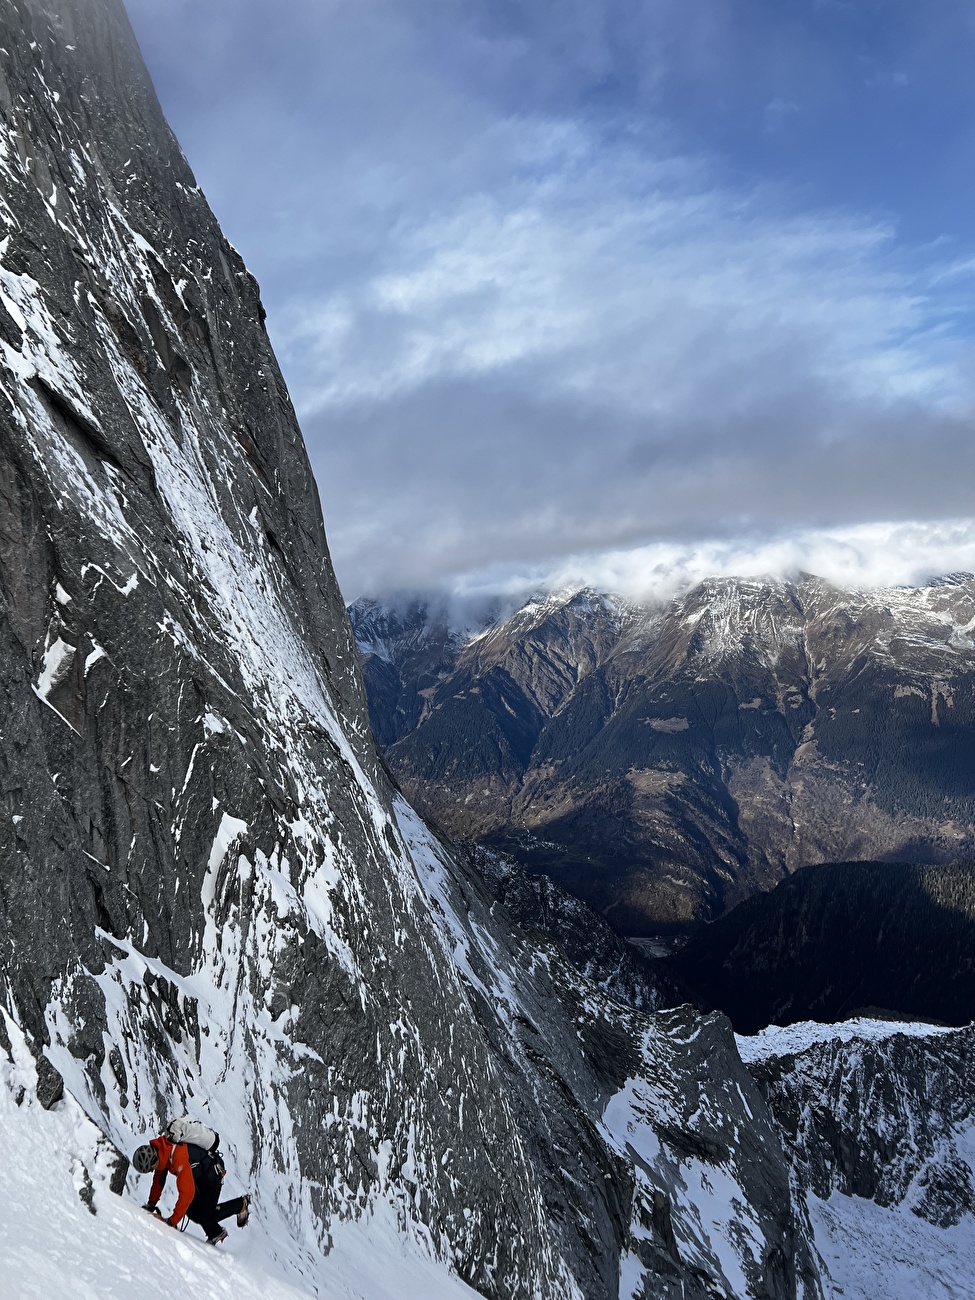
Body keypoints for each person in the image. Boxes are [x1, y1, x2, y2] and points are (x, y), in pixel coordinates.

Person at [132, 1132, 250, 1245]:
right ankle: (217, 1231)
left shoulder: (178, 1156)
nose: (153, 1171)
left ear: (154, 1160)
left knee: (204, 1215)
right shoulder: (162, 1152)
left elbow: (187, 1194)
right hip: (200, 1175)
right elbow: (158, 1182)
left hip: (212, 1176)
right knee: (192, 1211)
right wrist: (151, 1204)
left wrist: (171, 1222)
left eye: (151, 1168)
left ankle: (239, 1206)